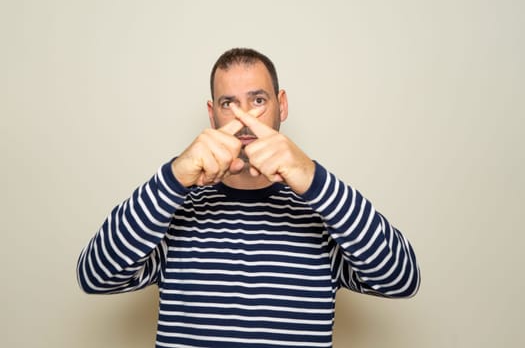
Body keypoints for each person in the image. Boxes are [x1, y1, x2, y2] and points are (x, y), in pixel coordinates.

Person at [77, 47, 420, 348]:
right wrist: (174, 177)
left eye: (258, 101)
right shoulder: (174, 211)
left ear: (281, 106)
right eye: (229, 104)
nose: (244, 120)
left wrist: (315, 180)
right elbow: (95, 276)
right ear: (212, 114)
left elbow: (401, 279)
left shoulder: (324, 213)